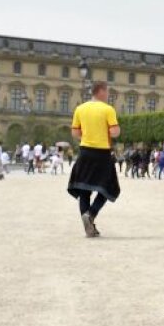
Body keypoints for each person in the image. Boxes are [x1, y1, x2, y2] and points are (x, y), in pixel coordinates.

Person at [66, 80, 122, 237]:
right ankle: (90, 214)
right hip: (102, 154)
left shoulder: (80, 109)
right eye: (108, 91)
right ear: (101, 91)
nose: (108, 94)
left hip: (85, 152)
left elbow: (75, 133)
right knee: (109, 188)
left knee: (84, 190)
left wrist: (88, 136)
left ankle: (89, 228)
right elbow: (114, 132)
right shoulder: (108, 109)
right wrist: (116, 129)